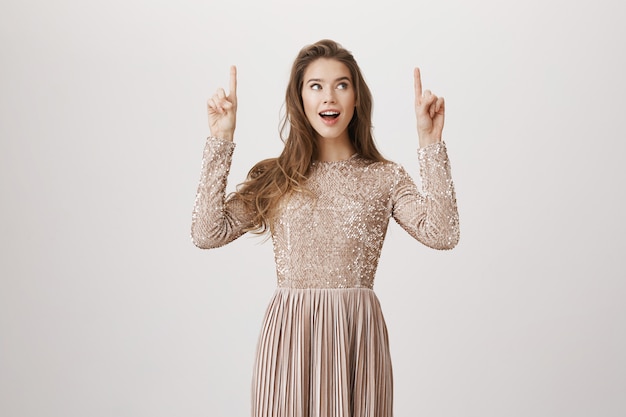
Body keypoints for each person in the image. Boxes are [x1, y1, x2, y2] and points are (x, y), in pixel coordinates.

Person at [191, 39, 459, 417]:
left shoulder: (384, 177)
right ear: (300, 99)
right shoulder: (277, 177)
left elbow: (443, 234)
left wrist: (430, 144)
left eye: (341, 85)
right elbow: (207, 232)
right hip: (290, 341)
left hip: (357, 339)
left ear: (356, 99)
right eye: (315, 85)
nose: (328, 97)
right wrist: (220, 140)